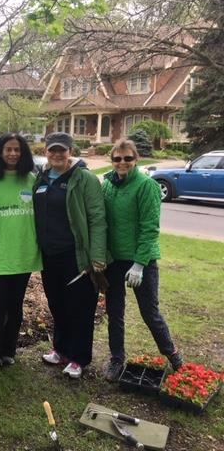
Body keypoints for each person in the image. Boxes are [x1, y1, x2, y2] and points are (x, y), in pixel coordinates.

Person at [101, 139, 183, 381]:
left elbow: (150, 228)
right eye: (117, 158)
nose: (122, 163)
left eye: (127, 158)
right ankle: (117, 359)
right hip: (114, 261)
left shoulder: (146, 186)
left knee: (150, 312)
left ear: (136, 159)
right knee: (115, 311)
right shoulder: (108, 185)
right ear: (112, 160)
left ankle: (174, 355)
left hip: (141, 261)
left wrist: (139, 264)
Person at [33, 132, 107, 379]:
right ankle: (61, 350)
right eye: (52, 150)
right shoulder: (41, 179)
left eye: (61, 150)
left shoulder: (84, 178)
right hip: (50, 255)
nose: (57, 154)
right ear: (46, 151)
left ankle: (78, 358)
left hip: (76, 256)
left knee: (80, 307)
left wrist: (96, 258)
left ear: (70, 151)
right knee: (58, 304)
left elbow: (97, 218)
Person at [0, 134, 42, 368]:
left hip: (23, 253)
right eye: (8, 149)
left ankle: (8, 350)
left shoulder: (32, 180)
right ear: (0, 152)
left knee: (15, 306)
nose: (13, 154)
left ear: (23, 153)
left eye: (17, 150)